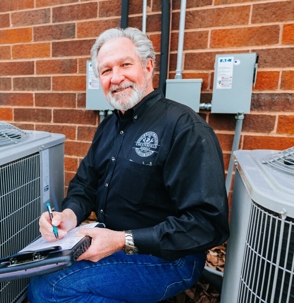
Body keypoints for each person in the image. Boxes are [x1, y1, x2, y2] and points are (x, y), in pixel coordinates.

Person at [27, 27, 230, 303]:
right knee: (39, 275)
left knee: (49, 289)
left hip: (170, 259)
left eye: (125, 64)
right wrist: (68, 217)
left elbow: (206, 224)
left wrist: (123, 240)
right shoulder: (109, 126)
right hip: (111, 243)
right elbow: (85, 184)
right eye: (106, 70)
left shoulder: (185, 129)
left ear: (148, 67)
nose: (116, 77)